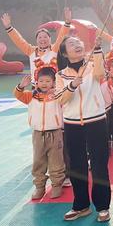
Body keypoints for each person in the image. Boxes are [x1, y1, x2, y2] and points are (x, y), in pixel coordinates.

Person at [55, 36, 111, 222]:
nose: (77, 44)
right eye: (71, 44)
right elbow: (60, 99)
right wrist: (72, 85)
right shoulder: (61, 75)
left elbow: (101, 74)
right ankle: (81, 206)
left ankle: (103, 206)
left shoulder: (92, 66)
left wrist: (97, 51)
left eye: (78, 42)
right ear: (64, 53)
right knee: (77, 166)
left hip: (96, 121)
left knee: (99, 164)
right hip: (71, 124)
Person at [14, 62, 65, 200]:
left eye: (48, 81)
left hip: (55, 133)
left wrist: (60, 89)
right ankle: (39, 186)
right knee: (38, 161)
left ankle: (57, 184)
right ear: (36, 82)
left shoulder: (57, 96)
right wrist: (21, 86)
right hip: (37, 134)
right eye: (41, 81)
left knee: (56, 160)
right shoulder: (31, 96)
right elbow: (18, 95)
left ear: (54, 82)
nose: (44, 83)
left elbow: (67, 98)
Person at [1, 8, 72, 81]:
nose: (42, 39)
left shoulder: (54, 49)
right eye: (40, 37)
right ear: (36, 40)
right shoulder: (31, 50)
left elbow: (61, 36)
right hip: (36, 88)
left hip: (53, 87)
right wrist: (9, 27)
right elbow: (19, 40)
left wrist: (67, 22)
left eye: (45, 37)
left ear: (50, 39)